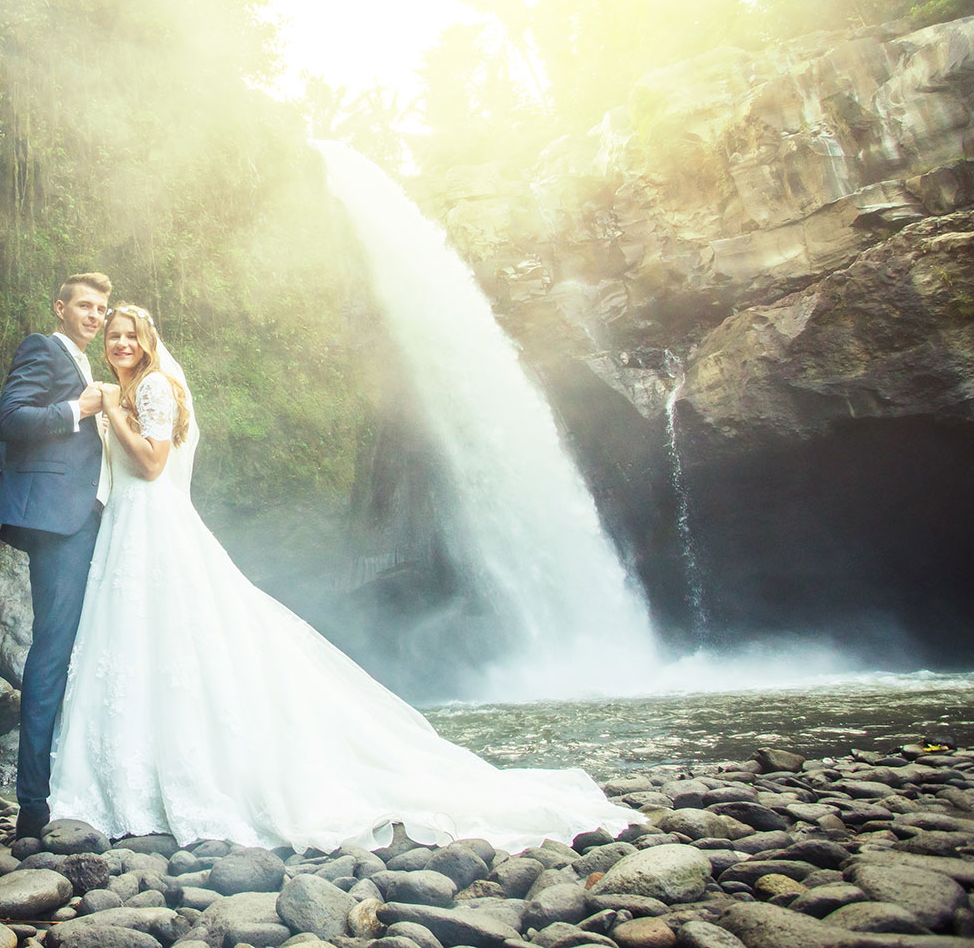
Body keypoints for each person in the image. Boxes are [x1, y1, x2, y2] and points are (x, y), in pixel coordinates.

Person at [47, 304, 642, 853]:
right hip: (132, 530)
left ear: (148, 343)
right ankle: (132, 781)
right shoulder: (128, 389)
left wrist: (115, 414)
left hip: (155, 525)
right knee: (143, 647)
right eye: (115, 336)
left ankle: (181, 781)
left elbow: (152, 464)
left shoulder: (149, 388)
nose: (121, 342)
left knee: (173, 645)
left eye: (131, 335)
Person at [0, 272, 114, 841]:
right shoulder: (44, 349)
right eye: (86, 306)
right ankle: (33, 804)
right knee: (52, 650)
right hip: (61, 520)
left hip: (97, 519)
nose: (95, 316)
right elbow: (9, 419)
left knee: (85, 646)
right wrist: (78, 408)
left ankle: (89, 780)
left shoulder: (92, 365)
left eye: (102, 308)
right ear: (61, 308)